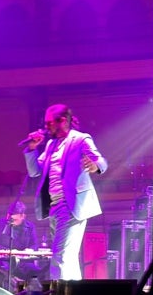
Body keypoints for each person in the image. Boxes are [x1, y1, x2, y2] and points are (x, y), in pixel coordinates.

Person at [23, 104, 108, 280]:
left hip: (71, 205)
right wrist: (31, 149)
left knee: (60, 256)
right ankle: (74, 291)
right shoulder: (51, 145)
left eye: (49, 123)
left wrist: (95, 166)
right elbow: (34, 171)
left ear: (62, 121)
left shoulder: (81, 139)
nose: (46, 127)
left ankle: (60, 291)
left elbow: (100, 160)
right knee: (68, 257)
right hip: (54, 207)